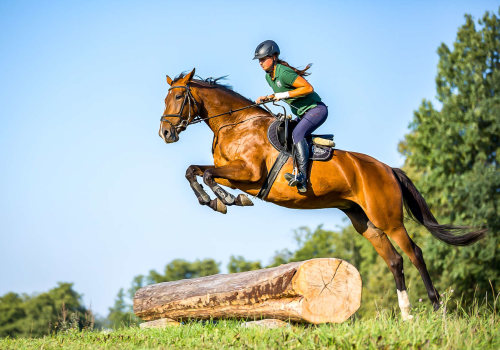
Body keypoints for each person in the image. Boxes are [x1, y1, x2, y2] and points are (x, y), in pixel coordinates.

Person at [254, 40, 328, 193]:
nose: (260, 63)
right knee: (285, 133)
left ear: (274, 57)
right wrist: (268, 97)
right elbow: (280, 94)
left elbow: (308, 88)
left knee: (297, 134)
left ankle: (301, 176)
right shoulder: (269, 77)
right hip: (302, 115)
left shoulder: (283, 72)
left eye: (263, 58)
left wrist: (281, 95)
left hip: (316, 110)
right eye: (259, 60)